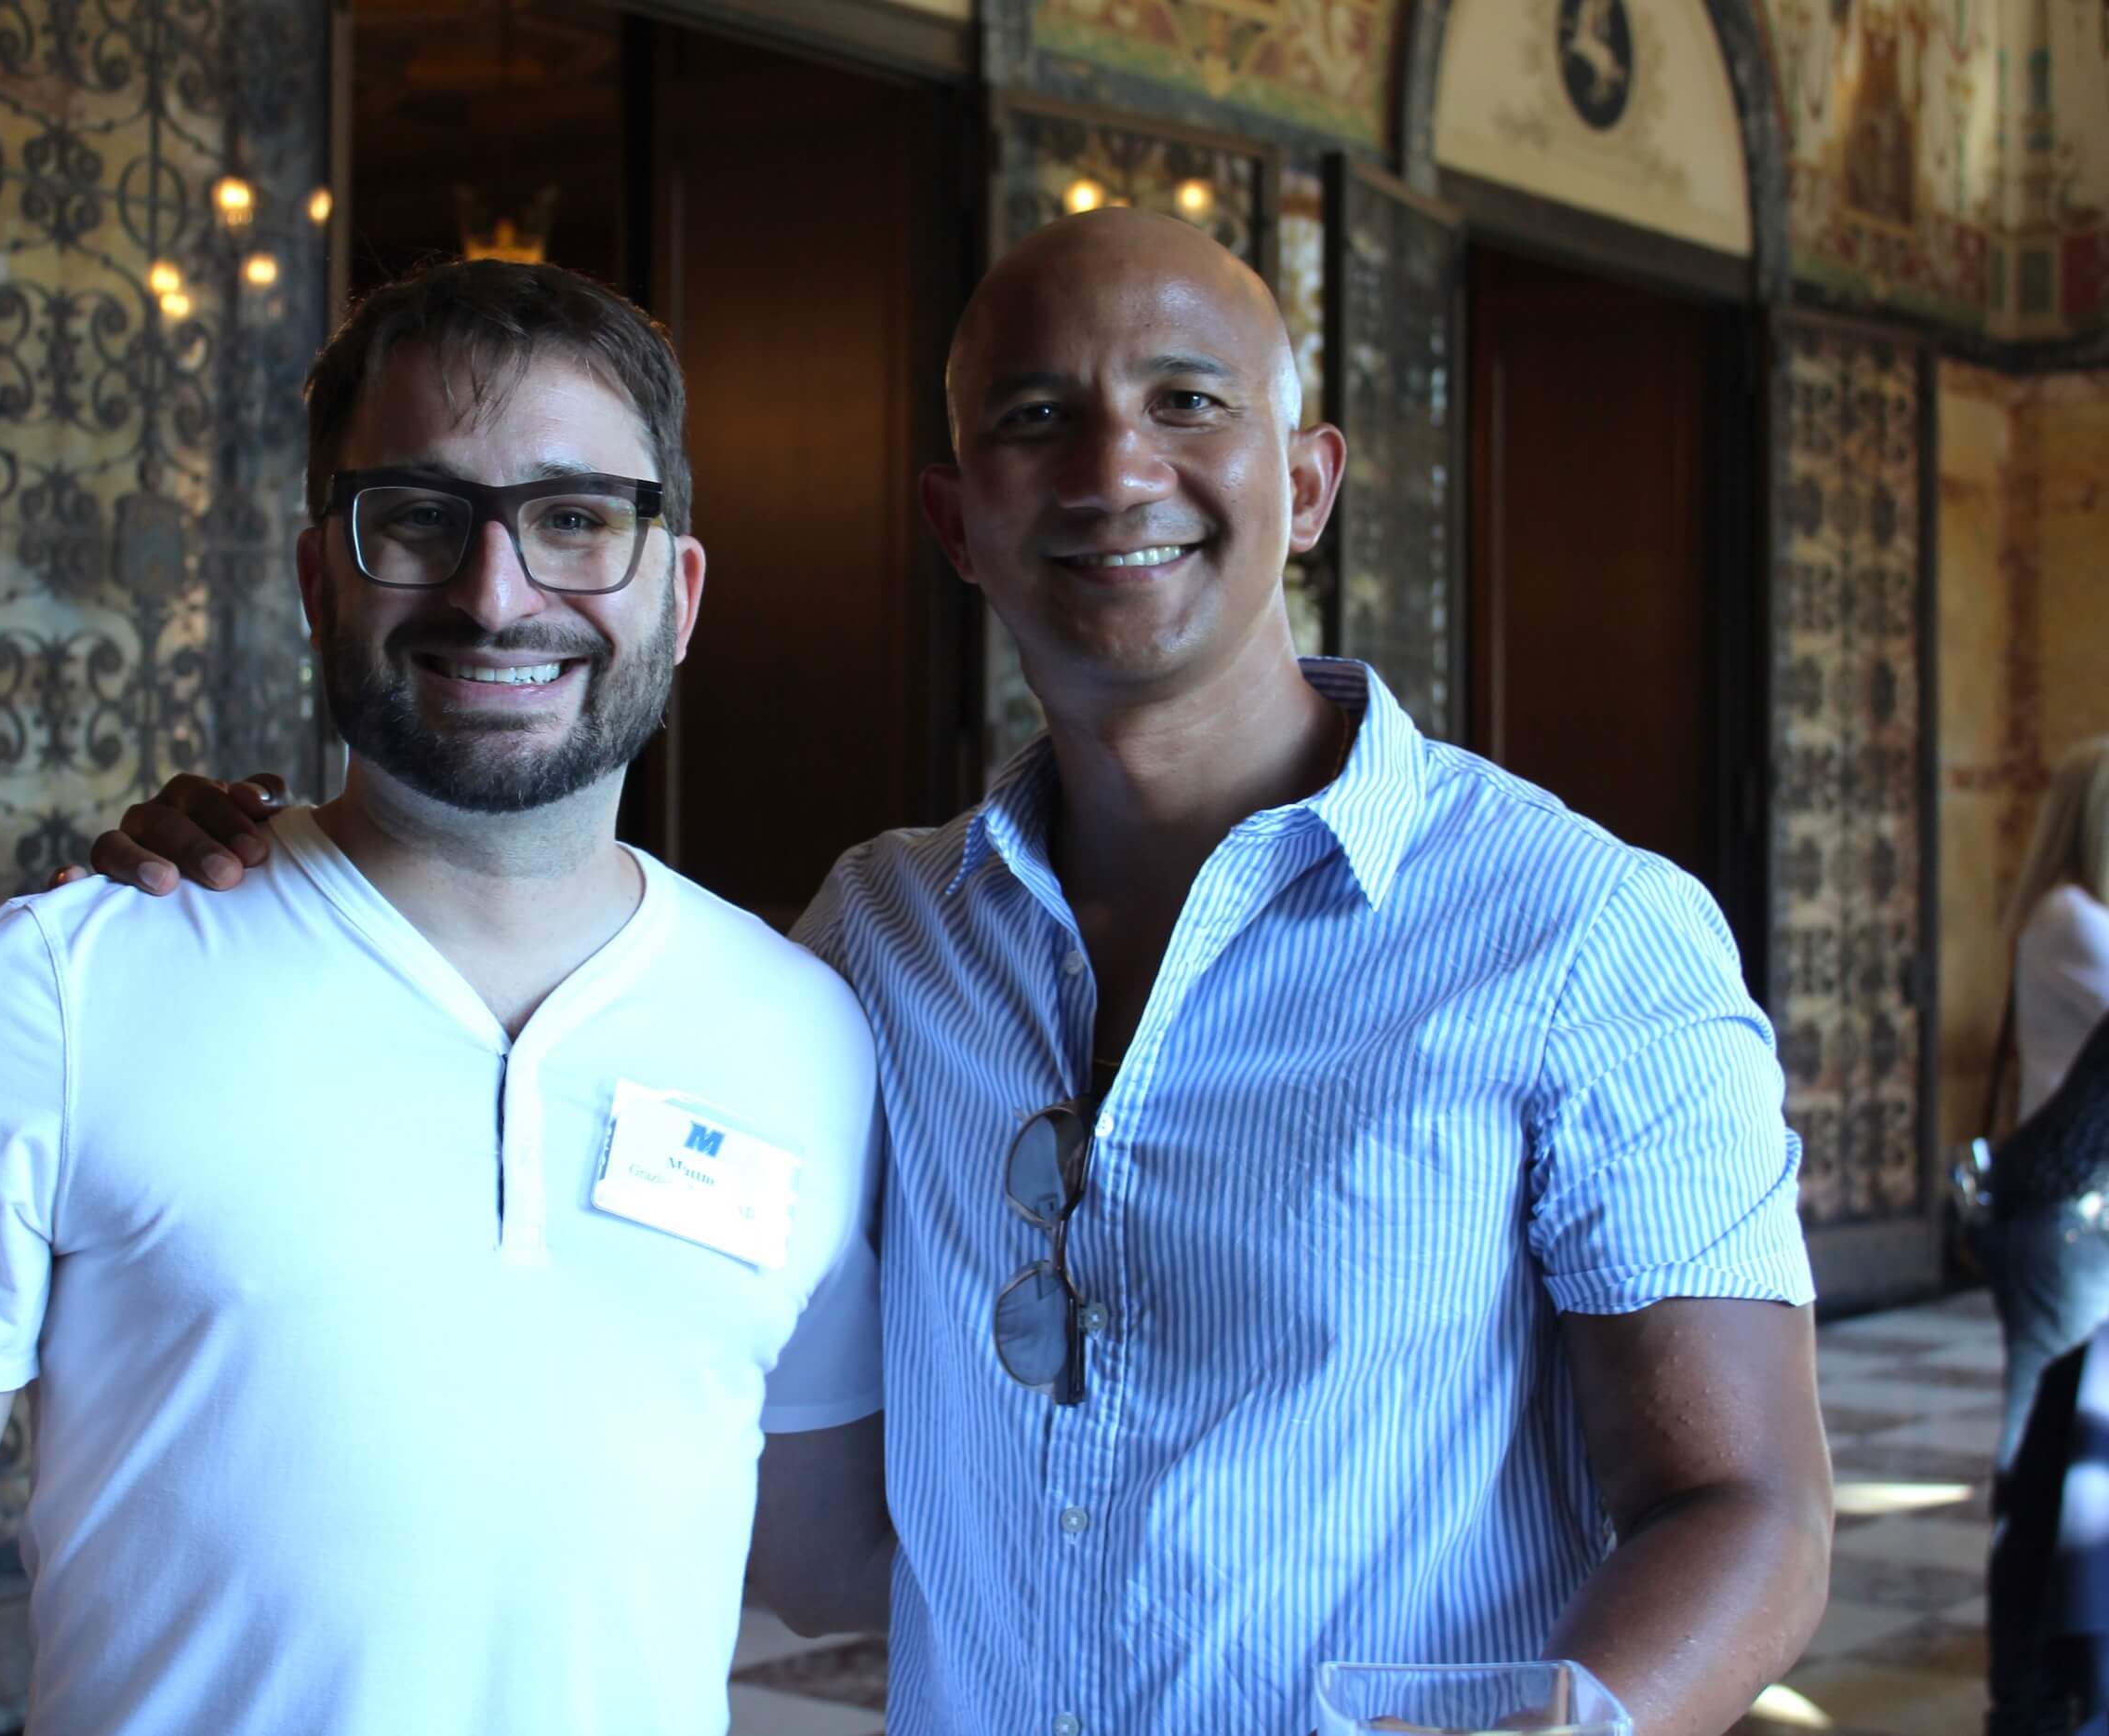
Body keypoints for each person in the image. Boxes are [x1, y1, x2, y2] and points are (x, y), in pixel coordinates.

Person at [90, 209, 1834, 1735]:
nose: (1114, 470)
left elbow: (1746, 1504)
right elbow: (558, 1122)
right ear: (956, 519)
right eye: (1034, 421)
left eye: (1188, 402)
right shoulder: (872, 945)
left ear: (1304, 484)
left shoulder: (1579, 933)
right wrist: (271, 867)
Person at [0, 260, 891, 1736]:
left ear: (675, 592)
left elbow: (832, 1555)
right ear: (316, 578)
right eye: (417, 517)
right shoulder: (63, 992)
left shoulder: (806, 1033)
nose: (497, 593)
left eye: (575, 520)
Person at [1979, 738, 2109, 1736]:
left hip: (2074, 1208)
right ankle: (2026, 1677)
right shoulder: (2072, 919)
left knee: (2065, 1444)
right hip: (2063, 1220)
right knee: (2046, 1453)